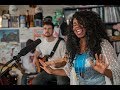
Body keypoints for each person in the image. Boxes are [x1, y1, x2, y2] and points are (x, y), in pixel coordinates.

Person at [39, 11, 120, 85]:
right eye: (74, 24)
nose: (77, 27)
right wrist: (52, 71)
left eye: (81, 23)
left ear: (89, 25)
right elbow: (69, 71)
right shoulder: (73, 46)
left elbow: (116, 72)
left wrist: (104, 71)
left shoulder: (103, 44)